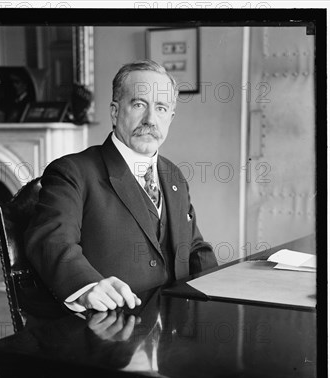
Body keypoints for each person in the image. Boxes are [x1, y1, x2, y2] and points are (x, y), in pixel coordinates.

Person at [25, 60, 217, 313]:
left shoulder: (173, 176)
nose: (150, 119)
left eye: (161, 108)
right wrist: (86, 287)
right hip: (108, 326)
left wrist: (221, 289)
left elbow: (193, 247)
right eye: (139, 105)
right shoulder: (72, 172)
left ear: (170, 117)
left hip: (175, 324)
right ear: (115, 112)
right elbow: (53, 241)